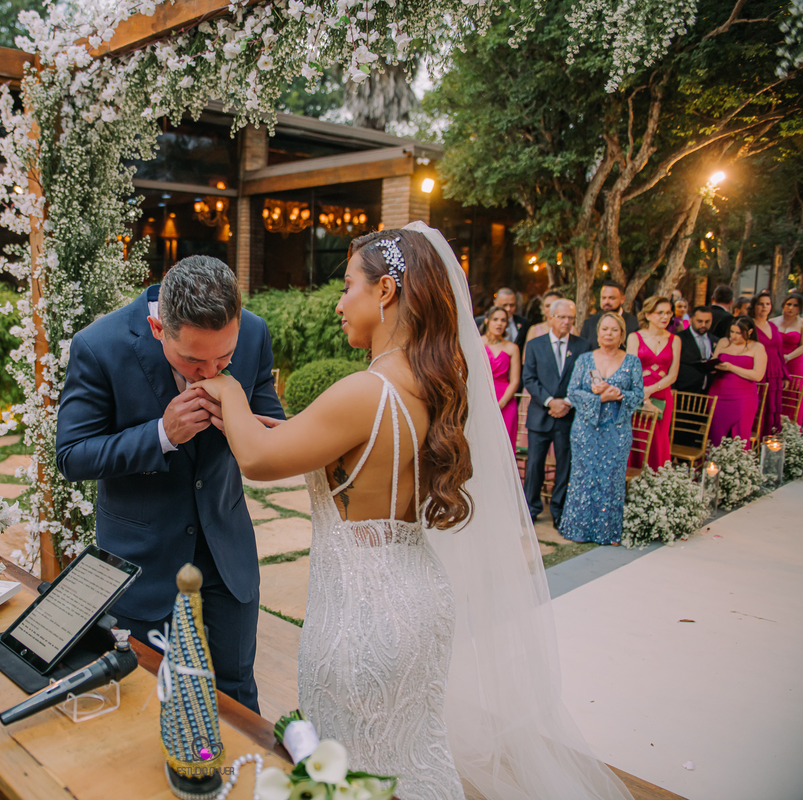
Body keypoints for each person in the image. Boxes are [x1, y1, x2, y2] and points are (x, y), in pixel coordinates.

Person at [194, 224, 633, 800]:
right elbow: (349, 448)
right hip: (420, 600)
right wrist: (288, 431)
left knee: (352, 772)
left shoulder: (364, 391)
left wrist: (227, 388)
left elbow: (255, 459)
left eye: (348, 286)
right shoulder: (433, 383)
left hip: (361, 617)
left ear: (385, 291)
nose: (339, 303)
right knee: (412, 759)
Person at [54, 255, 284, 714]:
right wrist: (161, 434)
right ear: (158, 328)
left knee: (236, 697)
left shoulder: (255, 332)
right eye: (194, 360)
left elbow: (273, 430)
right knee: (146, 700)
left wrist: (242, 425)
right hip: (142, 565)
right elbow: (72, 455)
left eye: (224, 357)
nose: (211, 370)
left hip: (226, 557)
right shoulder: (98, 346)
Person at [561, 315, 645, 546]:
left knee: (612, 479)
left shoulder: (632, 362)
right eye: (604, 329)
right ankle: (578, 529)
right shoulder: (584, 359)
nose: (608, 333)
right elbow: (573, 392)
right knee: (583, 477)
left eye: (614, 330)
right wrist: (599, 399)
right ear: (598, 333)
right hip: (586, 429)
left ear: (622, 335)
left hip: (616, 430)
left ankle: (608, 532)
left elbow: (638, 395)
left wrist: (618, 394)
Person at [521, 299, 588, 529]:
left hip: (568, 416)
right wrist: (550, 401)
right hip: (540, 414)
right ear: (550, 318)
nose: (567, 322)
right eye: (562, 317)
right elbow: (529, 378)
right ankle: (531, 509)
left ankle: (559, 510)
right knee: (534, 465)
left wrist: (567, 402)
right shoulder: (535, 344)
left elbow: (584, 380)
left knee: (564, 465)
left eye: (571, 318)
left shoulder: (582, 346)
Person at [626, 296, 680, 470]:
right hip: (637, 394)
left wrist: (650, 390)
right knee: (636, 438)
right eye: (660, 313)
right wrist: (644, 397)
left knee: (658, 440)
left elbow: (673, 375)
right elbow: (631, 372)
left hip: (662, 396)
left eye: (668, 313)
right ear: (648, 315)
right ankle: (633, 480)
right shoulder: (634, 337)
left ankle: (656, 481)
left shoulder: (675, 340)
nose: (665, 317)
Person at [709, 317, 767, 447]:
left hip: (744, 397)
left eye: (738, 333)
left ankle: (739, 460)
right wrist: (711, 366)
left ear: (750, 331)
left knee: (740, 437)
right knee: (715, 436)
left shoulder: (757, 347)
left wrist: (732, 368)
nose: (734, 336)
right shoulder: (723, 342)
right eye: (732, 332)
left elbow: (758, 375)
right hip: (718, 394)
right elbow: (714, 361)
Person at [481, 306, 521, 445]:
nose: (499, 323)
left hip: (505, 400)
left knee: (504, 443)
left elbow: (515, 381)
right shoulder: (476, 344)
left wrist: (501, 404)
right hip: (481, 397)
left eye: (503, 320)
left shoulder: (512, 348)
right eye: (495, 319)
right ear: (487, 321)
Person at [751, 290, 787, 436]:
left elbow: (780, 352)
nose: (764, 307)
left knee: (772, 406)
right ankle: (755, 441)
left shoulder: (773, 326)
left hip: (775, 372)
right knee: (759, 407)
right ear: (754, 306)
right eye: (761, 304)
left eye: (767, 304)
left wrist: (784, 375)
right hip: (759, 370)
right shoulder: (750, 325)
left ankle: (769, 441)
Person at [773, 292, 803, 424]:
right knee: (775, 393)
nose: (791, 308)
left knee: (792, 395)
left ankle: (790, 429)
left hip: (794, 362)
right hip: (776, 361)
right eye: (789, 304)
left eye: (795, 305)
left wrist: (788, 357)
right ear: (783, 305)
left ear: (799, 308)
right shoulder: (773, 322)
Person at [579, 280, 639, 349]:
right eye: (603, 298)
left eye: (611, 298)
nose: (606, 302)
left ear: (622, 299)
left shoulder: (634, 324)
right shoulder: (589, 324)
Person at [675, 305, 720, 394]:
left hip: (707, 391)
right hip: (683, 391)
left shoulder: (716, 341)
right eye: (700, 321)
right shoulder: (678, 338)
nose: (703, 325)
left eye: (707, 321)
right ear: (691, 320)